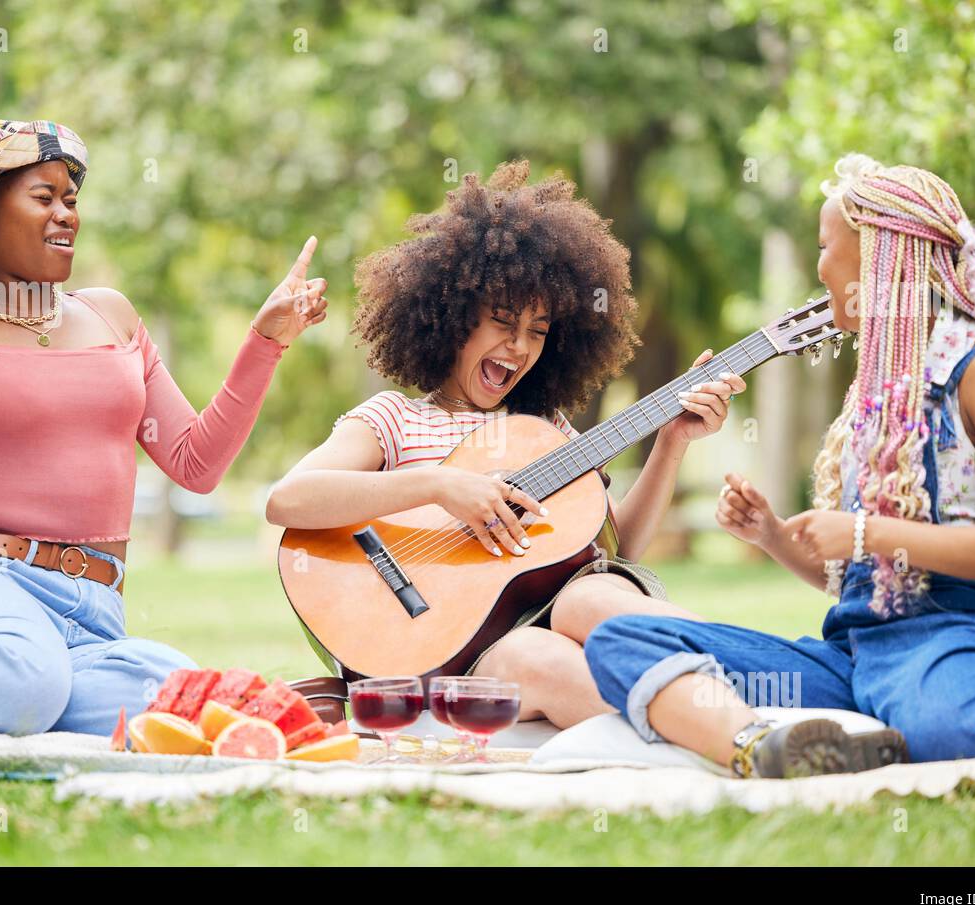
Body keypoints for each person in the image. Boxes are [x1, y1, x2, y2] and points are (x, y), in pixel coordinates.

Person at [0, 119, 325, 735]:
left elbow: (196, 464)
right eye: (43, 198)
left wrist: (265, 341)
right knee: (24, 674)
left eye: (71, 200)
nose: (66, 215)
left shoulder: (111, 317)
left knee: (195, 708)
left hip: (92, 618)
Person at [585, 154, 975, 777]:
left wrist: (866, 532)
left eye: (826, 246)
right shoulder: (878, 390)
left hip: (960, 639)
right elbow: (861, 579)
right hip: (855, 660)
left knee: (948, 724)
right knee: (620, 639)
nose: (819, 267)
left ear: (882, 254)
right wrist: (773, 536)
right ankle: (770, 742)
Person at [266, 160, 742, 729]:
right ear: (452, 317)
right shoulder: (393, 419)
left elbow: (620, 549)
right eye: (501, 322)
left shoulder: (546, 431)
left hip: (538, 624)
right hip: (433, 657)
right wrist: (441, 486)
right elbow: (288, 500)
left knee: (597, 600)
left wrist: (671, 444)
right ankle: (729, 718)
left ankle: (755, 691)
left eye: (537, 332)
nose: (518, 348)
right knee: (536, 657)